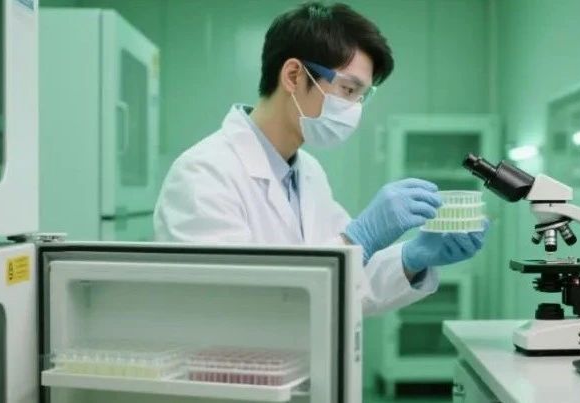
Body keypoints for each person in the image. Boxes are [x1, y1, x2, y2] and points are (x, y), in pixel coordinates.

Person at [154, 2, 489, 316]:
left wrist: (412, 258)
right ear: (293, 76)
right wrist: (358, 239)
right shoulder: (204, 174)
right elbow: (234, 307)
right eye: (348, 90)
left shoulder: (308, 173)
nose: (354, 110)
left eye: (362, 96)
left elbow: (348, 285)